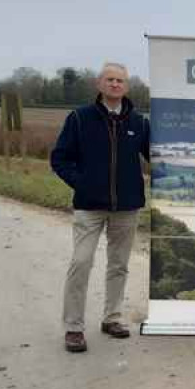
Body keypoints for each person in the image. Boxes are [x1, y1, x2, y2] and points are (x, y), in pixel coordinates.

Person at [50, 62, 150, 353]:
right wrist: (82, 184)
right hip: (89, 207)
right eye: (110, 79)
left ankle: (112, 318)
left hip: (127, 207)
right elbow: (59, 159)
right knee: (81, 262)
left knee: (119, 265)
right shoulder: (80, 119)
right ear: (99, 84)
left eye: (120, 80)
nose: (115, 84)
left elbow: (156, 155)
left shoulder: (139, 123)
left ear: (127, 86)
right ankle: (73, 327)